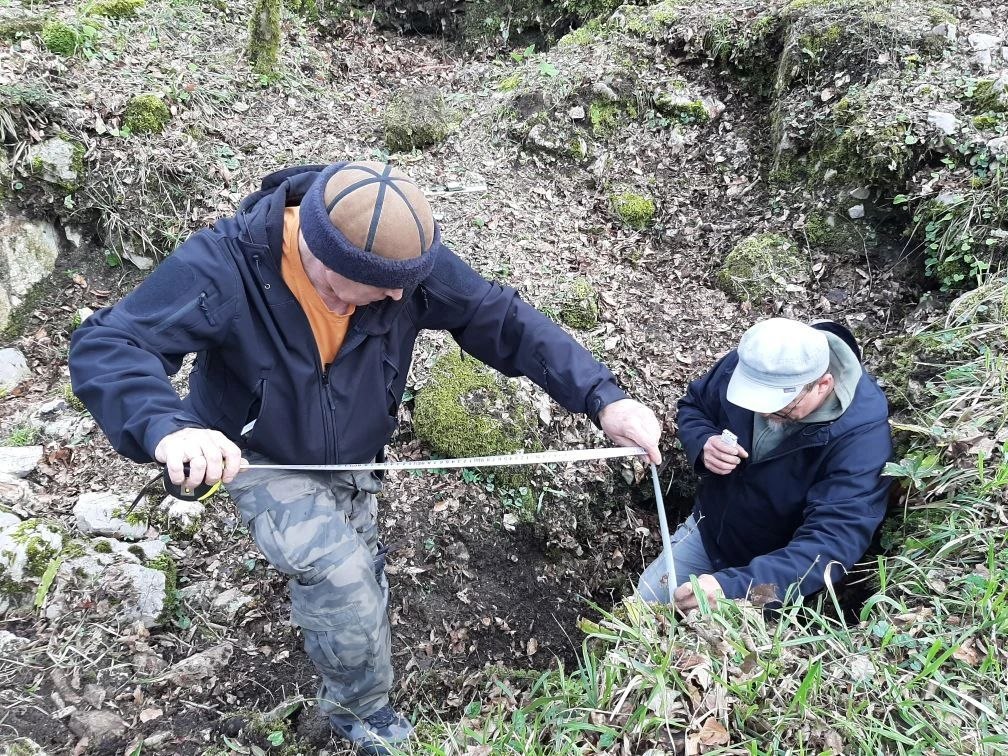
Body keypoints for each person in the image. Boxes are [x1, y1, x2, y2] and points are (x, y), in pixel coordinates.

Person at [69, 161, 661, 755]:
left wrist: (603, 398)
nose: (402, 297)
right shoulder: (225, 267)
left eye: (407, 284)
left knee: (359, 556)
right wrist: (168, 429)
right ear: (327, 263)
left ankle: (349, 627)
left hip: (356, 448)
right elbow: (111, 342)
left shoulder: (401, 265)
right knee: (342, 575)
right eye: (384, 288)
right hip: (259, 455)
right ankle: (363, 712)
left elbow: (502, 318)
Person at [637, 317, 892, 610]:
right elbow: (695, 406)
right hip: (709, 532)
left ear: (823, 385)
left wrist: (735, 588)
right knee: (639, 614)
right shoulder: (753, 364)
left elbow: (831, 544)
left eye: (780, 408)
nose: (763, 414)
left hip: (778, 576)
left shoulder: (861, 438)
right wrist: (703, 442)